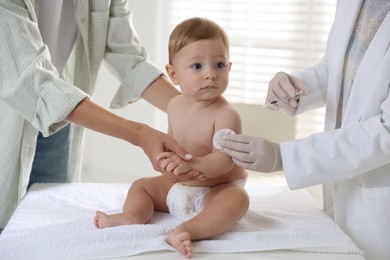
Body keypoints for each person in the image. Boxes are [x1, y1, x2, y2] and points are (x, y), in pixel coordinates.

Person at [0, 0, 201, 232]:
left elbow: (129, 57)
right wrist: (140, 134)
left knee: (50, 228)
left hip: (63, 119)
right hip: (10, 119)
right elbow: (32, 80)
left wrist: (193, 114)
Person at [216, 1, 390, 259]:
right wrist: (297, 85)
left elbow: (386, 132)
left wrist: (284, 157)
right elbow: (339, 65)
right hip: (344, 187)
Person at [94, 17, 249, 258]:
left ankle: (187, 230)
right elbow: (171, 143)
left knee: (237, 200)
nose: (210, 74)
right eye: (197, 66)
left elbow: (224, 161)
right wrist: (168, 164)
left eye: (219, 65)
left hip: (217, 189)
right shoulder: (175, 106)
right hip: (180, 185)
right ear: (173, 74)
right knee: (142, 186)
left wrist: (193, 164)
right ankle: (133, 215)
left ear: (229, 68)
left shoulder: (227, 115)